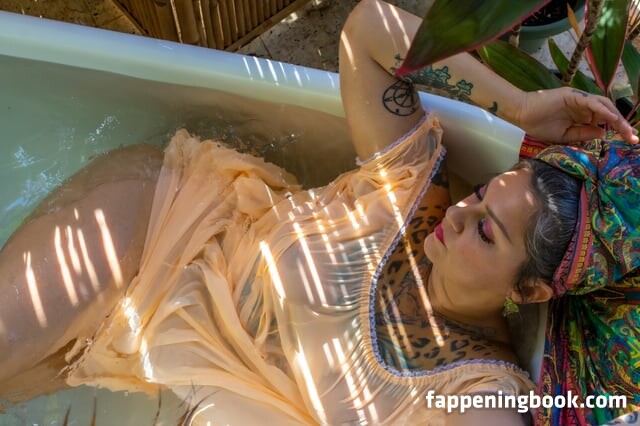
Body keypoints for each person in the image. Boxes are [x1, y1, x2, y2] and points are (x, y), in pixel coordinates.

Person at [0, 0, 638, 424]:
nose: (460, 214)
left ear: (528, 290)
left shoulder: (474, 393)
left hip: (165, 373)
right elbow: (370, 33)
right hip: (156, 224)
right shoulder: (413, 193)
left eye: (487, 232)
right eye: (482, 193)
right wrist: (520, 108)